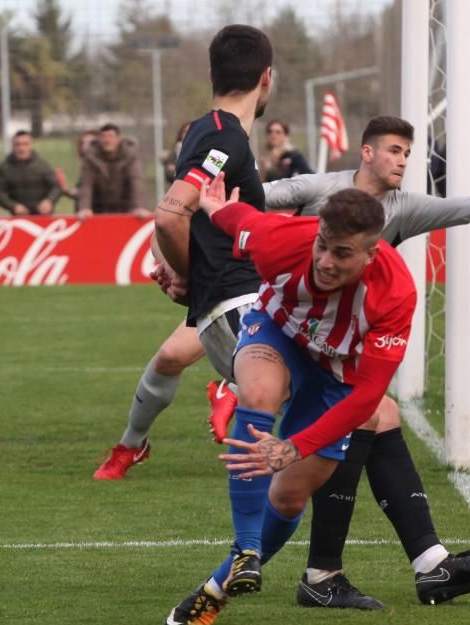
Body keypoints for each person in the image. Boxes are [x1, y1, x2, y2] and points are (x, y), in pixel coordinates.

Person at [165, 181, 470, 625]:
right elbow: (242, 222)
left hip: (335, 374)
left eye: (343, 254)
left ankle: (214, 589)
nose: (327, 262)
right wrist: (214, 207)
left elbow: (368, 396)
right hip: (276, 333)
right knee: (257, 394)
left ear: (373, 254)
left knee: (290, 498)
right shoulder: (283, 242)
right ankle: (248, 550)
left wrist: (294, 448)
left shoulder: (396, 294)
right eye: (323, 246)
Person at [93, 23, 275, 481]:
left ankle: (227, 393)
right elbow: (170, 215)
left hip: (235, 301)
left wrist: (175, 266)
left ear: (212, 74)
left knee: (337, 413)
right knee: (347, 412)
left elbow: (177, 214)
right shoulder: (224, 138)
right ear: (267, 78)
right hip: (237, 302)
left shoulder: (209, 131)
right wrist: (187, 274)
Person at [76, 123, 150, 220]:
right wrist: (85, 208)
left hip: (124, 208)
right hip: (97, 209)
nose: (107, 140)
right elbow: (86, 184)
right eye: (103, 137)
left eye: (110, 136)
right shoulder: (90, 157)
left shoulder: (130, 156)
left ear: (118, 139)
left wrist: (139, 207)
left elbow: (136, 181)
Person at [0, 131, 62, 215]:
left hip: (42, 216)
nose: (22, 148)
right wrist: (13, 206)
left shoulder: (42, 164)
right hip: (18, 217)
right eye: (18, 144)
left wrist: (49, 201)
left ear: (31, 145)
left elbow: (56, 187)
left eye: (25, 144)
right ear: (13, 146)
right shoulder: (5, 166)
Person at [161, 122, 191, 187]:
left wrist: (176, 169)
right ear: (181, 134)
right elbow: (169, 174)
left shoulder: (200, 151)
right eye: (185, 131)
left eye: (191, 131)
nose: (188, 134)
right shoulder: (172, 154)